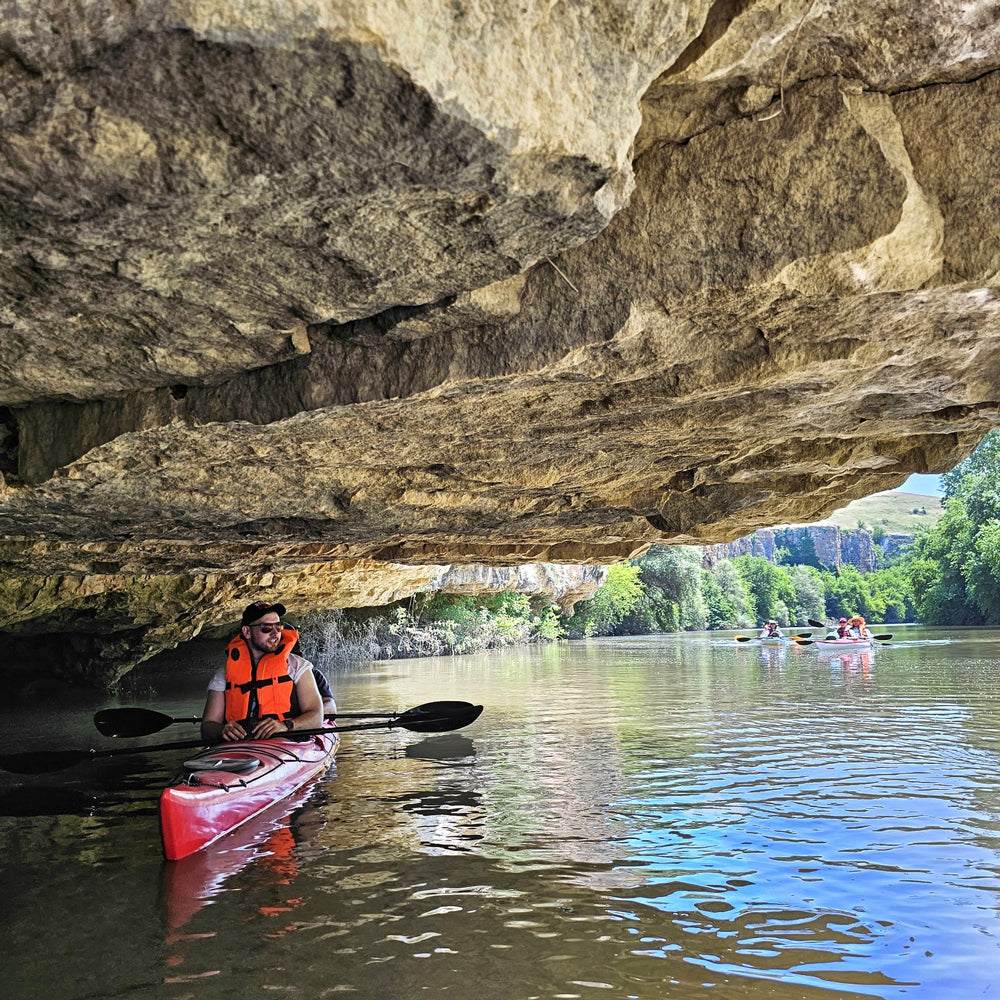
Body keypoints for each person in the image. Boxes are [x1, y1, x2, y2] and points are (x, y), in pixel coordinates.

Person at [200, 601, 324, 742]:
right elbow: (208, 726)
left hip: (287, 742)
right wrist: (222, 730)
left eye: (278, 626)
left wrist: (286, 725)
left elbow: (316, 718)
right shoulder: (223, 675)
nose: (275, 633)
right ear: (247, 632)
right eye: (266, 627)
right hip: (240, 745)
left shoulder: (297, 666)